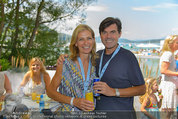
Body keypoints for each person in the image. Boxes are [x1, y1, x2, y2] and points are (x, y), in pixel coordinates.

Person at [58, 17, 146, 118]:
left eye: (112, 32)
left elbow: (142, 89)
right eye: (105, 32)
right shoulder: (96, 56)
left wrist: (114, 92)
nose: (108, 36)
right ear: (100, 35)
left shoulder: (128, 57)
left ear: (119, 34)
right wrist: (64, 57)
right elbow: (81, 58)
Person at [47, 24, 96, 111]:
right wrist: (73, 101)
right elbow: (50, 92)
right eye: (81, 39)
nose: (86, 43)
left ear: (93, 40)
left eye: (89, 38)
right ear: (76, 43)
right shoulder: (65, 63)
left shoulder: (96, 64)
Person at [159, 35, 178, 119]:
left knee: (168, 113)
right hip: (168, 86)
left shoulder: (170, 54)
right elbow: (163, 70)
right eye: (177, 42)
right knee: (166, 112)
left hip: (170, 85)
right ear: (170, 44)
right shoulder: (168, 54)